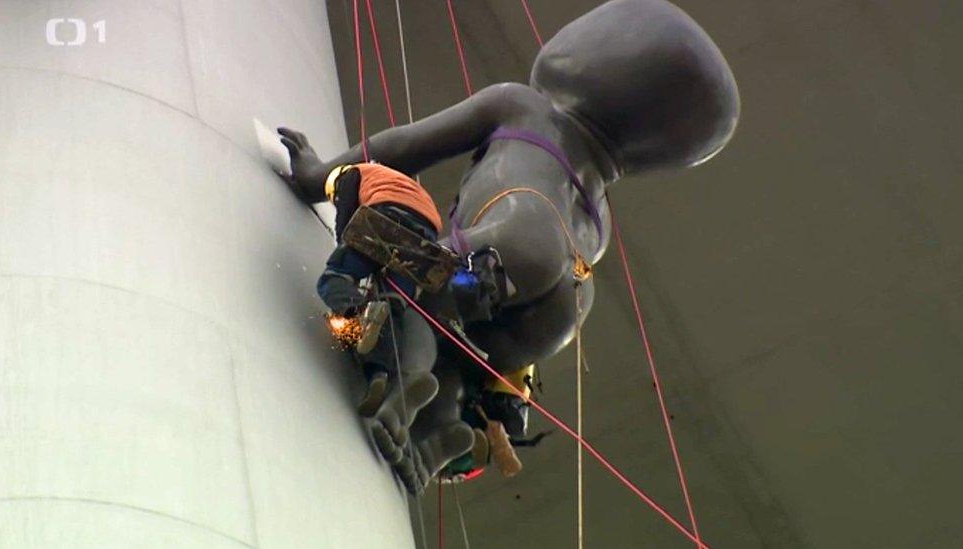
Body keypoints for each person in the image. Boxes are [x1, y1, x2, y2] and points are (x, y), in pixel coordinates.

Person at [278, 0, 739, 492]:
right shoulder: (600, 210)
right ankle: (442, 426)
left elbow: (402, 148)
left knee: (413, 284)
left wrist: (315, 176)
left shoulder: (521, 105)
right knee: (468, 354)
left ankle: (408, 374)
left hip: (515, 237)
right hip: (567, 295)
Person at [282, 149, 444, 419]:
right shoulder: (399, 182)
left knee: (334, 279)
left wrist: (345, 246)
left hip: (387, 216)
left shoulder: (350, 173)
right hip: (425, 239)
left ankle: (358, 317)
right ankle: (378, 374)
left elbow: (346, 217)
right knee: (393, 305)